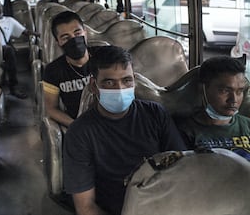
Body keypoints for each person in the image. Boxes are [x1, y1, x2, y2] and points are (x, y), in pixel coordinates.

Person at [63, 45, 187, 215]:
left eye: (126, 80)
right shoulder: (80, 133)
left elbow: (181, 168)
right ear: (93, 86)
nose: (120, 89)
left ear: (135, 80)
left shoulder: (155, 114)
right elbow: (86, 207)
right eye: (109, 82)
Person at [176, 56, 250, 161]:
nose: (233, 99)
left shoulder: (247, 126)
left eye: (239, 91)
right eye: (225, 91)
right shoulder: (185, 131)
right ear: (203, 89)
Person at [43, 11, 96, 127]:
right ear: (58, 42)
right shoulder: (53, 71)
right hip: (79, 124)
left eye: (77, 33)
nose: (74, 40)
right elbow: (51, 109)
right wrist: (75, 126)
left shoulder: (105, 57)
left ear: (85, 33)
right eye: (65, 38)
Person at [0, 0, 39, 99]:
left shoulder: (9, 21)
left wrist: (39, 34)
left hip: (3, 49)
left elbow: (25, 31)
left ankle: (13, 86)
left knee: (9, 50)